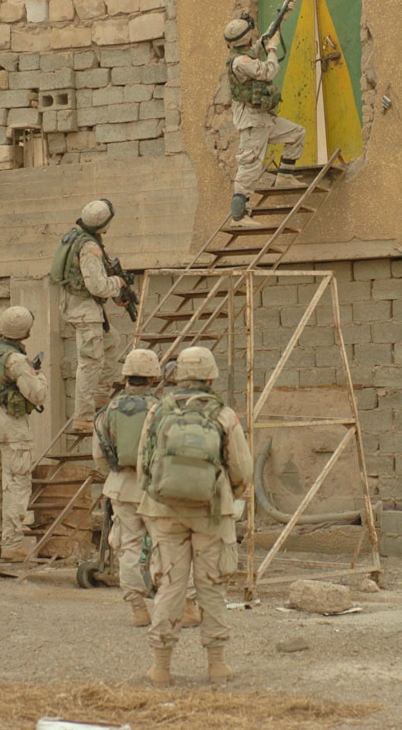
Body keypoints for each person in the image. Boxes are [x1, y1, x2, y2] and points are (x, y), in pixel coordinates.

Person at [137, 346, 253, 687]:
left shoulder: (157, 412)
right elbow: (242, 471)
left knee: (170, 587)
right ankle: (216, 665)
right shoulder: (224, 415)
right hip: (212, 513)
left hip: (164, 510)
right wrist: (224, 493)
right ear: (210, 376)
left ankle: (161, 668)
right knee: (212, 586)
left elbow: (144, 464)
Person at [94, 348, 201, 630]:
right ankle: (188, 607)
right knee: (172, 547)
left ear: (126, 376)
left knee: (128, 549)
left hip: (121, 487)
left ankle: (139, 610)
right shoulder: (162, 408)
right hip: (156, 489)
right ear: (154, 377)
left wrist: (116, 476)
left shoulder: (109, 411)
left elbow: (99, 456)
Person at [224, 9, 306, 229]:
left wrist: (282, 17)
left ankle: (285, 175)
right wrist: (271, 49)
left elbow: (260, 42)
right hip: (252, 123)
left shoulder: (244, 54)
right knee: (250, 166)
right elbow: (268, 71)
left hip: (263, 119)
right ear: (244, 38)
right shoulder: (241, 62)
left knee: (296, 133)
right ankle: (239, 217)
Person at [52, 199, 127, 433]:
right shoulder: (89, 248)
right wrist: (118, 283)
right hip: (84, 311)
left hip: (83, 307)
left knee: (112, 342)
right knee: (90, 362)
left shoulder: (76, 236)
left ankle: (100, 397)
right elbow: (97, 286)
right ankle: (83, 417)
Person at [0, 306, 47, 562]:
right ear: (25, 331)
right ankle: (12, 544)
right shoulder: (15, 360)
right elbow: (37, 394)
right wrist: (38, 376)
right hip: (13, 429)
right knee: (16, 485)